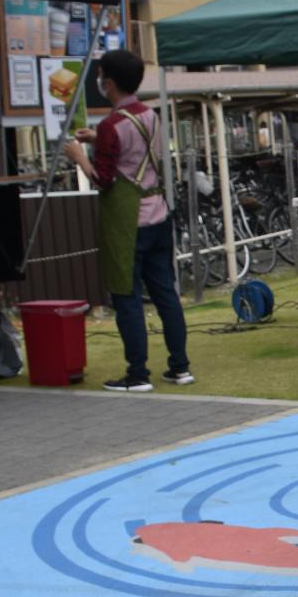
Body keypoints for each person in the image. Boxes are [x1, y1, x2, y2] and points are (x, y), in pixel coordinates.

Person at [64, 49, 191, 393]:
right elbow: (137, 151)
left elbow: (103, 179)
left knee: (127, 295)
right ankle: (180, 367)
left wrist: (78, 157)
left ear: (109, 83)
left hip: (127, 221)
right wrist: (96, 139)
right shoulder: (150, 115)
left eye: (101, 76)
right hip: (159, 212)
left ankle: (137, 374)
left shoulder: (110, 125)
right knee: (165, 292)